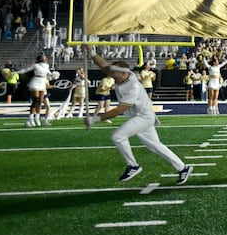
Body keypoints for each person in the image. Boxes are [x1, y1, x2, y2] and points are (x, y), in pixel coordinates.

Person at [82, 44, 193, 185]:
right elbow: (104, 66)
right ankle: (183, 168)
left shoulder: (132, 87)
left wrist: (94, 119)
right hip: (140, 117)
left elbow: (118, 110)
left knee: (118, 136)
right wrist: (91, 51)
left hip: (143, 117)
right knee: (156, 146)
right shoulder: (123, 76)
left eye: (114, 74)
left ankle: (133, 165)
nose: (111, 76)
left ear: (122, 73)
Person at [15, 53, 50, 127]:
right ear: (40, 59)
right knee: (35, 100)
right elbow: (26, 70)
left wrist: (54, 75)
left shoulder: (47, 66)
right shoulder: (35, 65)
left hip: (42, 82)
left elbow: (49, 73)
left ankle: (37, 117)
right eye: (43, 57)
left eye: (45, 57)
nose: (45, 58)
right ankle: (31, 118)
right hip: (35, 81)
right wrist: (15, 72)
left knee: (40, 101)